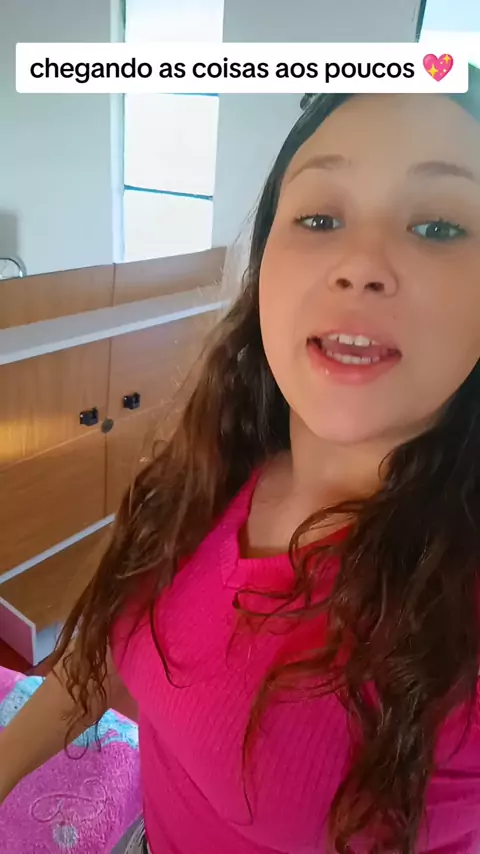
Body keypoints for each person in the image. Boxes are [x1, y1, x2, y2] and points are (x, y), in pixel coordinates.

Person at [1, 65, 480, 854]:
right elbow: (106, 650)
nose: (360, 263)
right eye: (320, 217)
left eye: (437, 227)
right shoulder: (215, 465)